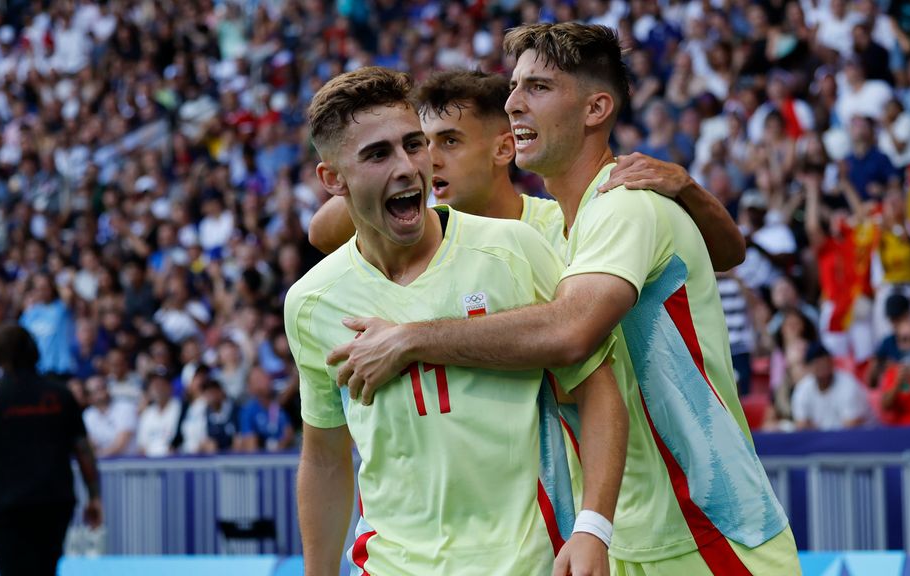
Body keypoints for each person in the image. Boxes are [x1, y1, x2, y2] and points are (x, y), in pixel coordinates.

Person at [329, 24, 800, 575]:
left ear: (596, 107)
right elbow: (327, 229)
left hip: (706, 535)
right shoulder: (550, 230)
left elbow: (569, 333)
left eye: (538, 88)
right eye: (513, 88)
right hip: (619, 538)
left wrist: (410, 340)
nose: (513, 104)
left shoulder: (624, 206)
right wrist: (376, 168)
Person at [285, 66, 626, 576]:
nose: (407, 167)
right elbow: (325, 457)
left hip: (526, 562)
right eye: (378, 154)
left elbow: (598, 389)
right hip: (388, 564)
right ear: (333, 179)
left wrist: (593, 528)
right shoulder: (311, 301)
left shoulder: (514, 250)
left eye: (413, 145)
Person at [308, 69, 746, 273]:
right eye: (422, 143)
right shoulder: (424, 233)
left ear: (504, 148)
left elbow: (727, 256)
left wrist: (688, 188)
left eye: (450, 141)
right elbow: (322, 233)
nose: (430, 158)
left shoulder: (561, 225)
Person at [0, 325, 100, 576]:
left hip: (4, 507)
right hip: (52, 504)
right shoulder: (60, 395)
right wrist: (95, 496)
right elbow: (83, 450)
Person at [791, 344, 872, 431]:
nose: (822, 367)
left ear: (831, 362)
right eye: (817, 364)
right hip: (825, 440)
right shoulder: (803, 388)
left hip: (862, 438)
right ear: (809, 367)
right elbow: (801, 426)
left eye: (825, 362)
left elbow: (852, 426)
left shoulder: (848, 385)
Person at [236, 366, 294, 452]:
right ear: (250, 387)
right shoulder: (248, 411)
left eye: (265, 376)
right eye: (258, 379)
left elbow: (288, 434)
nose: (264, 381)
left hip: (281, 456)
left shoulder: (278, 406)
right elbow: (250, 442)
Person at [82, 375, 137, 457]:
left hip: (129, 462)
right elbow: (90, 443)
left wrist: (100, 456)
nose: (103, 391)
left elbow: (121, 444)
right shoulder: (88, 415)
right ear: (89, 397)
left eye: (103, 387)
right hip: (103, 463)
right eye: (97, 389)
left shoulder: (125, 407)